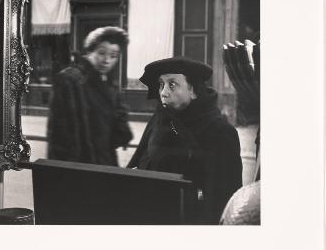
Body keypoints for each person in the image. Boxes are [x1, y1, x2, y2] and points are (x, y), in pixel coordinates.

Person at [127, 57, 242, 224]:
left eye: (172, 85)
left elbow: (226, 197)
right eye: (161, 85)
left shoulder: (220, 132)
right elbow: (140, 161)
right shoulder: (160, 119)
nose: (163, 93)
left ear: (193, 90)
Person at [47, 26, 133, 166]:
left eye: (113, 56)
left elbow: (115, 125)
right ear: (89, 51)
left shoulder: (108, 83)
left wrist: (122, 129)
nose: (107, 60)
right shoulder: (69, 80)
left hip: (105, 163)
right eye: (101, 53)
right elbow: (59, 138)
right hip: (79, 168)